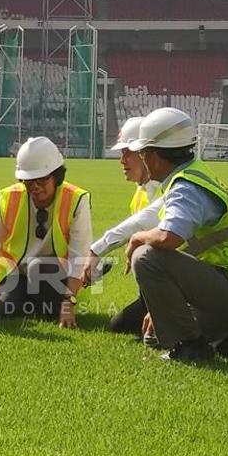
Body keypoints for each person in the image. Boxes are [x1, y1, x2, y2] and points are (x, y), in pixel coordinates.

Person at [124, 107, 228, 362]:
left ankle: (191, 348)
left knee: (145, 256)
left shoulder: (186, 187)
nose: (140, 157)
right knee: (153, 336)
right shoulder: (194, 174)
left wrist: (137, 238)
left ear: (154, 155)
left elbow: (168, 239)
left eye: (141, 152)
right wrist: (162, 307)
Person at [0, 137, 92, 325]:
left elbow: (79, 256)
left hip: (58, 275)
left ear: (56, 176)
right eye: (28, 181)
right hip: (18, 273)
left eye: (41, 180)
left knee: (38, 268)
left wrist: (69, 302)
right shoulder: (10, 198)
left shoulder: (75, 200)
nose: (34, 187)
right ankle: (35, 305)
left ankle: (55, 307)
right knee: (3, 311)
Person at [81, 117, 161, 336]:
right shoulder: (140, 193)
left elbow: (147, 221)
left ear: (146, 153)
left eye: (128, 153)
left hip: (184, 285)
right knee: (122, 325)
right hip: (159, 285)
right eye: (121, 154)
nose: (122, 161)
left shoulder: (170, 188)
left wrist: (97, 249)